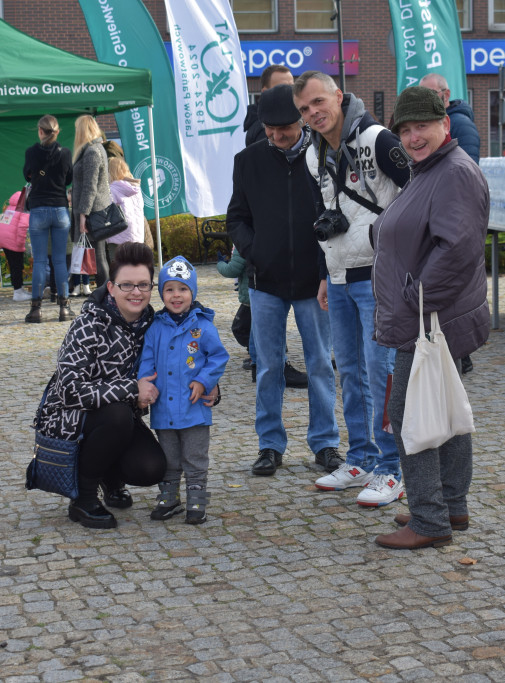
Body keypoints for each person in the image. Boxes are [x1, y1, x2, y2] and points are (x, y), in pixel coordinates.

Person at [371, 86, 490, 550]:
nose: (412, 136)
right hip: (431, 318)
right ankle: (450, 504)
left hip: (428, 320)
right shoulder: (429, 169)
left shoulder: (454, 172)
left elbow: (457, 249)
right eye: (404, 129)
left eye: (421, 125)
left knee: (409, 415)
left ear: (445, 124)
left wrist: (415, 299)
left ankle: (429, 520)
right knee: (442, 406)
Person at [34, 243, 218, 530]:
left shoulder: (153, 324)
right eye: (127, 285)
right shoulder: (88, 325)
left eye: (143, 285)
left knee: (151, 468)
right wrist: (132, 388)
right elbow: (68, 391)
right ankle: (83, 499)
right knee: (118, 415)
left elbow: (188, 361)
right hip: (71, 420)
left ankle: (109, 475)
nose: (136, 292)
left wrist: (208, 385)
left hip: (116, 421)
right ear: (111, 287)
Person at [293, 71, 411, 506]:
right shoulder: (313, 153)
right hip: (340, 276)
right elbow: (328, 214)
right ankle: (360, 457)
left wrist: (397, 254)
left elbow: (415, 195)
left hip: (378, 275)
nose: (313, 113)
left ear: (339, 97)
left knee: (381, 375)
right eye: (304, 109)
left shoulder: (379, 140)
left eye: (318, 102)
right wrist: (326, 273)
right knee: (350, 372)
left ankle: (393, 467)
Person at [226, 84, 341, 478]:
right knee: (268, 366)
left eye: (285, 129)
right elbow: (236, 218)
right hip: (266, 282)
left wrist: (327, 266)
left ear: (301, 121)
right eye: (269, 129)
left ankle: (325, 443)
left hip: (314, 282)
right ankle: (270, 445)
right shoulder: (248, 161)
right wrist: (255, 250)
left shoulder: (323, 157)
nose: (276, 136)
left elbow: (337, 212)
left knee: (321, 364)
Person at [138, 256, 229, 525]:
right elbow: (147, 361)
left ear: (193, 292)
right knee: (169, 457)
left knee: (195, 455)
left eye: (183, 289)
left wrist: (204, 381)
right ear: (162, 293)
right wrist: (146, 386)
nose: (176, 295)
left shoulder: (203, 326)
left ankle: (197, 498)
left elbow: (218, 357)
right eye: (169, 289)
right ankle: (169, 497)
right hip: (164, 408)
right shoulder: (155, 327)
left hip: (195, 408)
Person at [419, 72, 481, 375]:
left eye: (430, 97)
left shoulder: (462, 127)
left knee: (455, 292)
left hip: (454, 223)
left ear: (445, 96)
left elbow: (463, 176)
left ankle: (460, 352)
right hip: (437, 221)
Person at [23, 114, 74, 323]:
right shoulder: (65, 153)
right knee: (60, 260)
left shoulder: (31, 152)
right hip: (60, 209)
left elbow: (26, 174)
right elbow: (69, 178)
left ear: (40, 131)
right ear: (57, 131)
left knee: (40, 261)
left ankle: (36, 310)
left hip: (38, 209)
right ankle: (64, 308)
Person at [71, 115, 115, 289]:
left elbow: (90, 186)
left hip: (93, 210)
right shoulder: (97, 149)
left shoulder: (92, 152)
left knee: (98, 256)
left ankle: (106, 293)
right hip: (97, 208)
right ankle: (105, 292)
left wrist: (83, 215)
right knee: (99, 255)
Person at [419, 73, 480, 164]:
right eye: (421, 95)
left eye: (431, 94)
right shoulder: (425, 124)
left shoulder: (462, 125)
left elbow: (468, 170)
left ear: (446, 95)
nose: (425, 100)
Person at [243, 64, 295, 147]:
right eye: (282, 87)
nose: (289, 91)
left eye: (292, 86)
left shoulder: (294, 116)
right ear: (265, 92)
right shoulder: (262, 130)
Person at [107, 157, 147, 247]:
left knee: (119, 260)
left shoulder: (113, 189)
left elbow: (108, 211)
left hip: (119, 235)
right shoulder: (136, 188)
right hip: (138, 234)